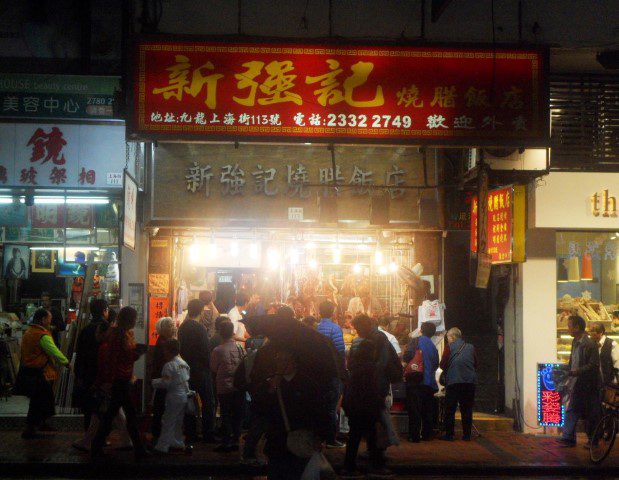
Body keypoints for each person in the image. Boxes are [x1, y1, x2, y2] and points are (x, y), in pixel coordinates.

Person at [90, 307, 149, 461]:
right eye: (135, 318)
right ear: (129, 319)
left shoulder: (124, 333)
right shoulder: (118, 334)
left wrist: (136, 353)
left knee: (115, 414)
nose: (136, 321)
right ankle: (139, 448)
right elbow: (114, 358)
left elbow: (124, 356)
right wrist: (136, 353)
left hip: (122, 379)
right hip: (119, 380)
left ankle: (97, 447)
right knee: (127, 414)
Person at [350, 314, 402, 476]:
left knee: (372, 427)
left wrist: (376, 389)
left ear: (366, 325)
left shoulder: (377, 338)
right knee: (371, 427)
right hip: (373, 390)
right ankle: (374, 460)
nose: (357, 332)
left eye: (358, 328)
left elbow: (381, 364)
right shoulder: (375, 337)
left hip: (375, 389)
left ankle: (374, 459)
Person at [18, 308, 70, 439]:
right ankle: (30, 428)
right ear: (42, 320)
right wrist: (67, 363)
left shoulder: (29, 332)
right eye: (49, 319)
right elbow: (54, 352)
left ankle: (40, 424)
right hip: (40, 373)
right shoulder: (42, 335)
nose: (50, 322)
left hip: (28, 371)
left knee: (39, 399)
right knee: (41, 400)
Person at [341, 339, 384, 477]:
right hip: (365, 406)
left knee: (355, 437)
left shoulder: (354, 365)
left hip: (354, 405)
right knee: (371, 437)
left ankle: (349, 467)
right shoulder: (370, 367)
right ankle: (374, 467)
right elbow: (371, 389)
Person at [558, 315, 601, 448]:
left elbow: (593, 365)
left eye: (570, 326)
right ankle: (568, 437)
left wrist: (576, 372)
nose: (568, 329)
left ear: (577, 328)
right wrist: (567, 371)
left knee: (590, 414)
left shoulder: (589, 344)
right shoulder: (575, 342)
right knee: (572, 409)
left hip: (589, 385)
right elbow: (573, 361)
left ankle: (593, 441)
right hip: (577, 383)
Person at [178, 298, 216, 443]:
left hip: (187, 370)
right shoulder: (200, 328)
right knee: (208, 402)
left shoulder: (183, 327)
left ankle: (191, 433)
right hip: (201, 370)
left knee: (190, 402)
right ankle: (208, 434)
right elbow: (206, 351)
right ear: (201, 311)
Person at [74, 298, 110, 432]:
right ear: (104, 311)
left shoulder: (85, 330)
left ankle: (88, 434)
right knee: (102, 406)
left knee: (90, 406)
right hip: (102, 373)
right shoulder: (107, 327)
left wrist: (79, 375)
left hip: (88, 373)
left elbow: (80, 354)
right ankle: (99, 438)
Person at [152, 339, 192, 454]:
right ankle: (177, 443)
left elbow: (166, 382)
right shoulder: (184, 363)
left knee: (168, 421)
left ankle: (162, 446)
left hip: (174, 396)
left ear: (168, 351)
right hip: (184, 396)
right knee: (178, 421)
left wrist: (154, 382)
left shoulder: (169, 365)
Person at [210, 320, 245, 452]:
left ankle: (226, 442)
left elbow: (213, 368)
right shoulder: (240, 348)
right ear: (232, 332)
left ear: (220, 332)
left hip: (224, 386)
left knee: (225, 414)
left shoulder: (218, 350)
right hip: (239, 387)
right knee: (237, 414)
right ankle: (236, 440)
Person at [316, 300, 346, 449]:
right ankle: (330, 438)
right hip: (332, 372)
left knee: (319, 405)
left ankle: (320, 437)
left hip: (317, 372)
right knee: (331, 406)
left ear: (319, 312)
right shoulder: (335, 329)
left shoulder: (316, 328)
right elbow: (340, 351)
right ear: (333, 312)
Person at [404, 322, 439, 442]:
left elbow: (408, 356)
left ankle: (414, 436)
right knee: (427, 410)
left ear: (421, 330)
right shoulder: (434, 347)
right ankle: (426, 434)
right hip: (429, 383)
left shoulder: (415, 341)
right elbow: (436, 364)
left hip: (416, 381)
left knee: (414, 409)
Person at [441, 327, 477, 441]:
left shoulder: (449, 347)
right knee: (466, 409)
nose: (448, 340)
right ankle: (467, 435)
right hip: (469, 382)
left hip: (453, 382)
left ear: (452, 337)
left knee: (450, 409)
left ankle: (449, 435)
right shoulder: (471, 347)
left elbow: (442, 364)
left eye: (448, 337)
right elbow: (476, 363)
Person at [151, 317, 176, 441]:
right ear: (164, 329)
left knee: (160, 406)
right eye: (171, 326)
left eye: (173, 325)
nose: (174, 328)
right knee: (161, 406)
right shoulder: (164, 343)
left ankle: (158, 432)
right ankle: (158, 433)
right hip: (163, 379)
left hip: (163, 378)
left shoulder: (163, 341)